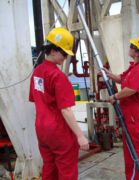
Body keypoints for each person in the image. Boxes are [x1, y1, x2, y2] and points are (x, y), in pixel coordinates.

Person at [29, 27, 89, 180]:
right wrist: (80, 136)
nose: (65, 58)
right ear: (53, 51)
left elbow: (36, 99)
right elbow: (65, 110)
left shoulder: (36, 72)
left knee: (49, 168)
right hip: (58, 131)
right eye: (63, 53)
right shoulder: (58, 75)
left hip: (41, 129)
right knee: (67, 171)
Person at [101, 34, 139, 180]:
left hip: (135, 116)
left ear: (137, 52)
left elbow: (132, 89)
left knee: (135, 153)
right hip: (131, 115)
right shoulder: (135, 67)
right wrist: (109, 75)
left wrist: (115, 97)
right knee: (133, 152)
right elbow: (123, 79)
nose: (130, 47)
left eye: (133, 46)